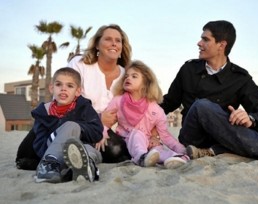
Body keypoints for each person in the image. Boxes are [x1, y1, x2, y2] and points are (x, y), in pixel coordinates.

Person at [160, 20, 258, 165]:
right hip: (195, 138)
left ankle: (215, 151)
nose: (199, 43)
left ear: (222, 45)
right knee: (202, 105)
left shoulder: (240, 78)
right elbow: (169, 102)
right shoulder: (188, 69)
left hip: (226, 137)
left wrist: (250, 118)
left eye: (205, 39)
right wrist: (140, 112)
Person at [15, 24, 134, 170]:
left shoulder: (126, 75)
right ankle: (58, 159)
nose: (114, 43)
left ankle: (75, 157)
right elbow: (63, 98)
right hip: (70, 120)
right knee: (24, 153)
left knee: (117, 150)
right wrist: (97, 118)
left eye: (118, 40)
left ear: (122, 46)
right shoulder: (80, 64)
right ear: (97, 44)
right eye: (108, 39)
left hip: (104, 131)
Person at [96, 60, 189, 169]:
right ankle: (141, 158)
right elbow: (106, 121)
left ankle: (179, 158)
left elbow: (165, 136)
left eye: (134, 76)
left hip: (149, 144)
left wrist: (182, 149)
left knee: (158, 150)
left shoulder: (156, 110)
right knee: (137, 134)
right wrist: (102, 134)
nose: (128, 78)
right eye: (126, 76)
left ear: (145, 83)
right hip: (125, 143)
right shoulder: (118, 101)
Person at [32, 67, 103, 183]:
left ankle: (86, 168)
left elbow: (97, 132)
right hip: (53, 149)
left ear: (78, 91)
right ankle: (48, 165)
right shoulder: (44, 113)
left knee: (90, 151)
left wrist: (80, 129)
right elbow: (39, 144)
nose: (63, 89)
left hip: (80, 149)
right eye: (59, 85)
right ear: (51, 88)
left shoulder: (84, 107)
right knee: (71, 126)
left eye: (70, 86)